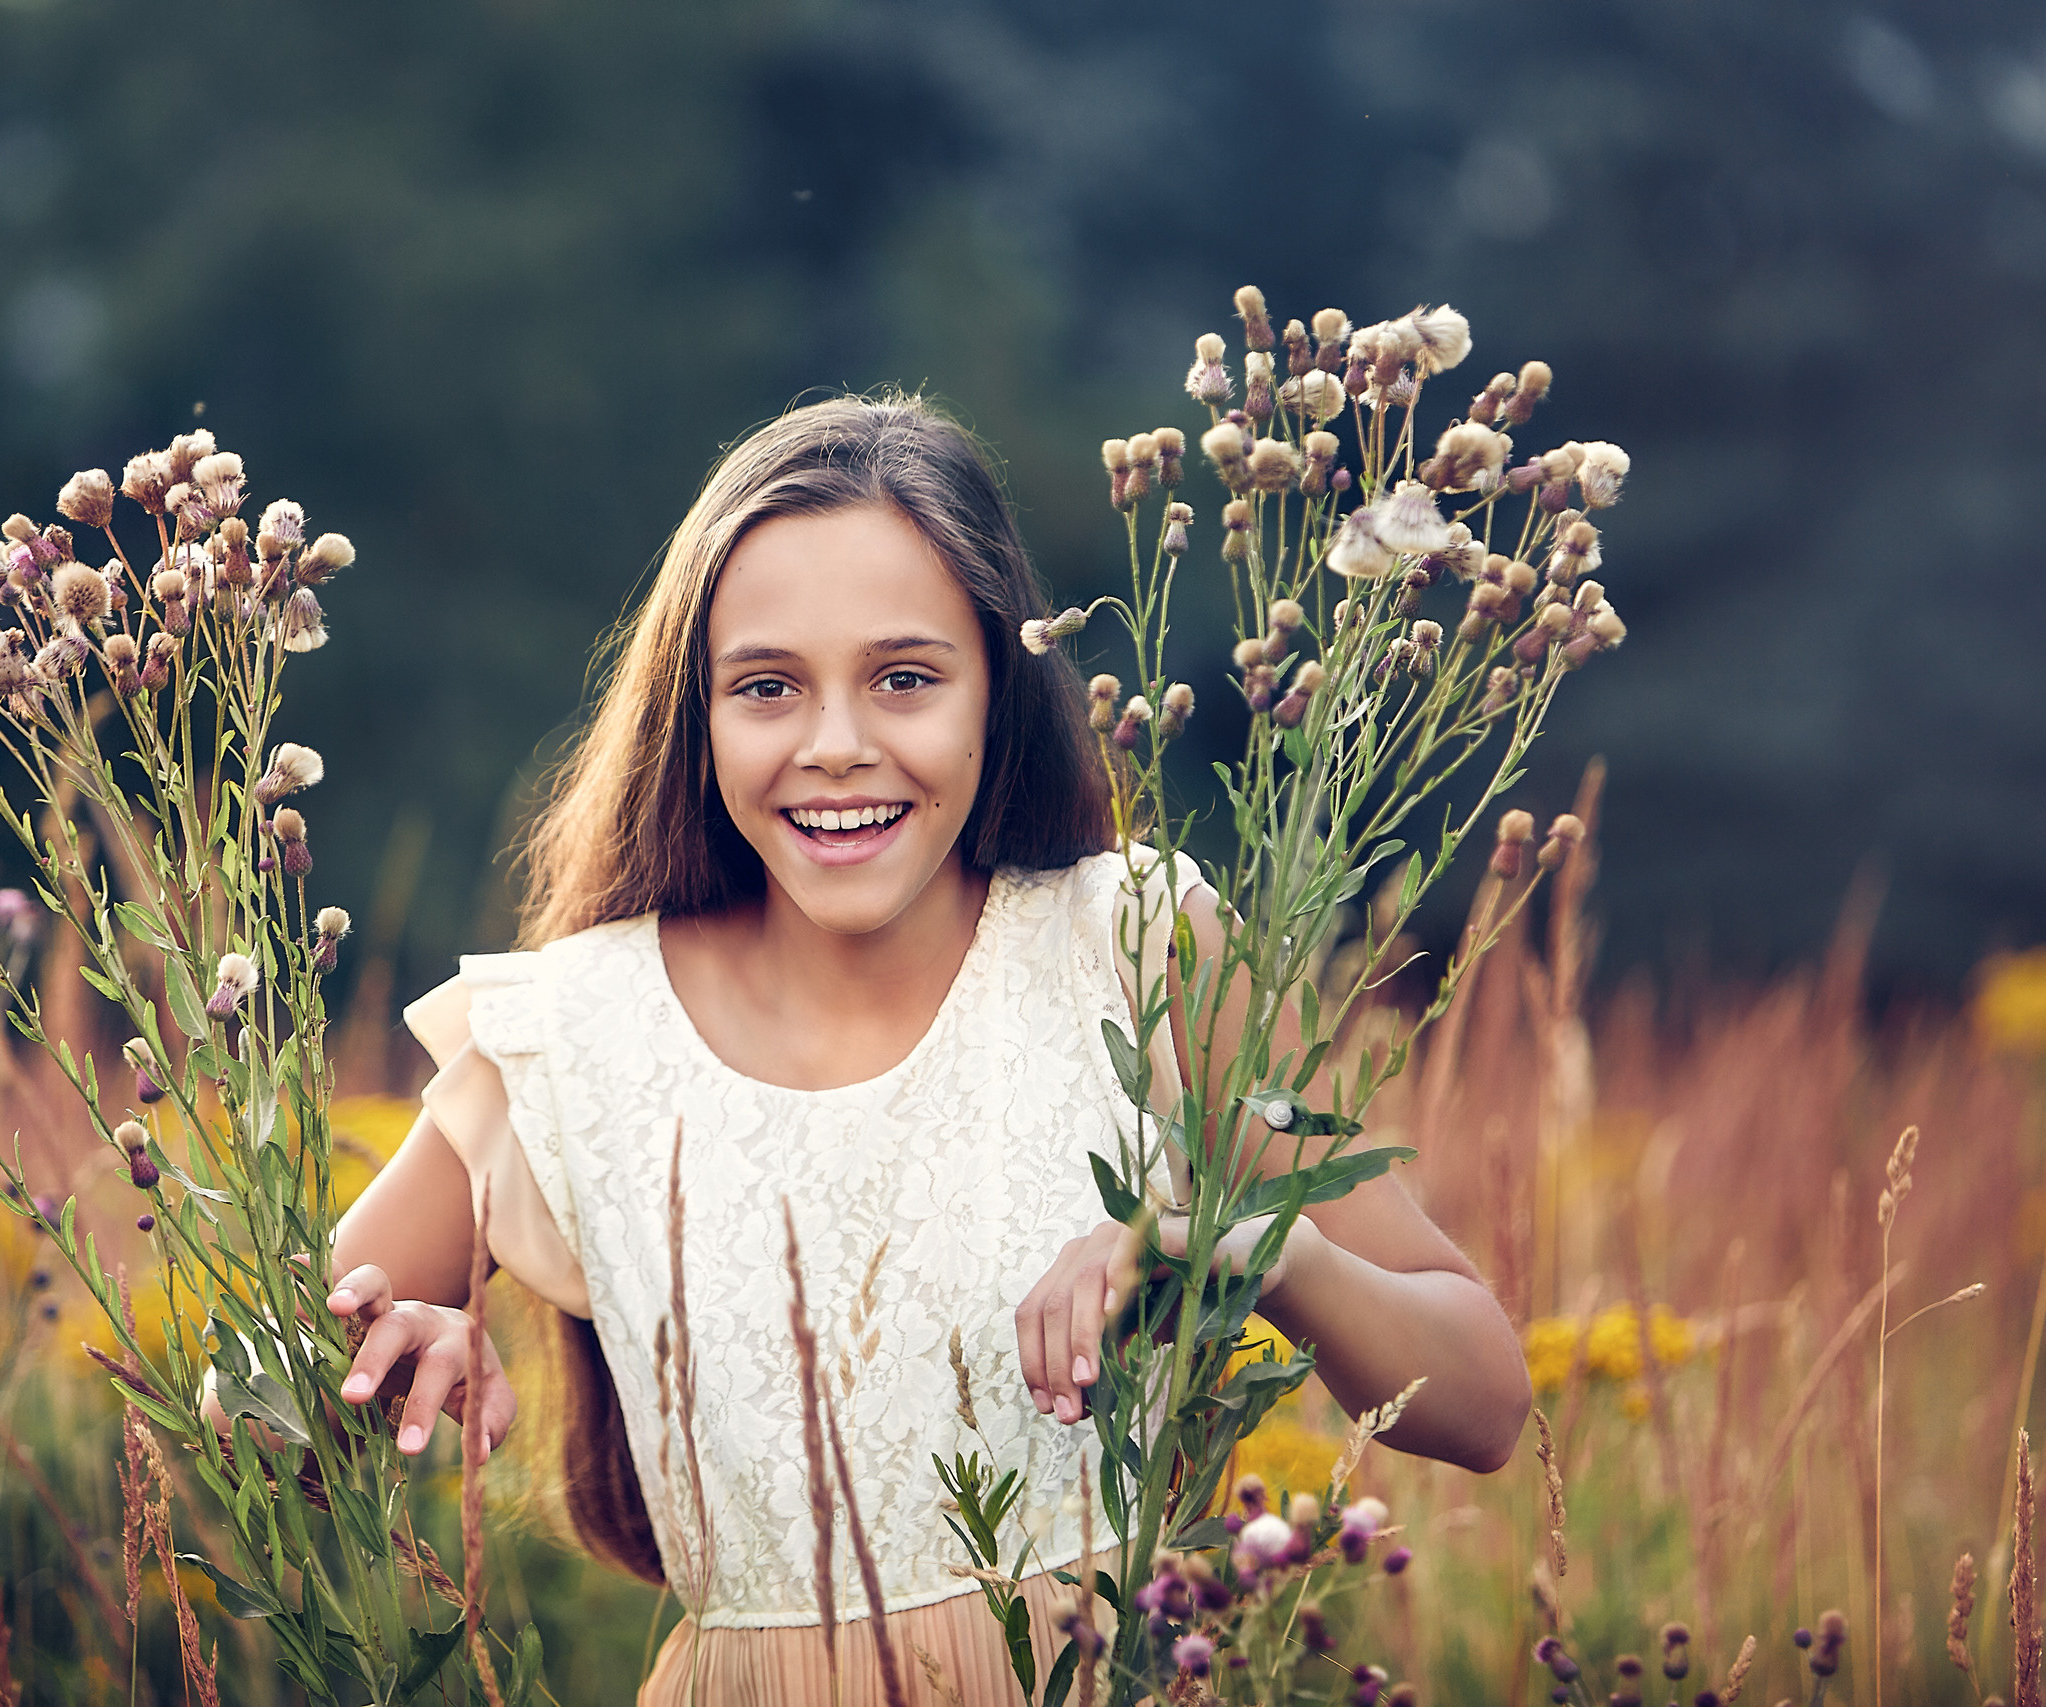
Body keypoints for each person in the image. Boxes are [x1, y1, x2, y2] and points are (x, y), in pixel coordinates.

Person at [322, 392, 1532, 1703]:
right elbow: (258, 1388)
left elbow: (1479, 1400)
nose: (837, 747)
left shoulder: (1134, 946)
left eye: (904, 678)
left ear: (997, 694)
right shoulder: (576, 1031)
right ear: (699, 714)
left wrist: (1248, 1240)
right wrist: (406, 1350)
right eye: (767, 687)